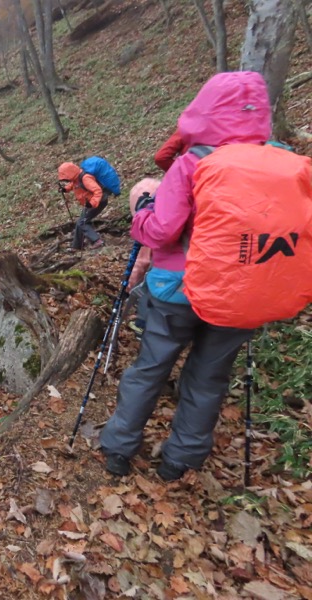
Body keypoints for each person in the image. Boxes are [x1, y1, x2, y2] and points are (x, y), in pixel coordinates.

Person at [100, 71, 269, 481]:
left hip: (180, 289)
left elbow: (161, 230)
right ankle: (180, 461)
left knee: (151, 367)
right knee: (210, 378)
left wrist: (140, 213)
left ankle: (119, 448)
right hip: (244, 295)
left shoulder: (192, 164)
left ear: (203, 110)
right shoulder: (279, 163)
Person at [125, 177, 161, 338]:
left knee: (149, 285)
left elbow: (142, 262)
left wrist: (128, 284)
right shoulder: (176, 211)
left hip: (167, 276)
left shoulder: (150, 225)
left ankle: (143, 326)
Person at [57, 162, 107, 251]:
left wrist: (92, 203)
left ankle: (97, 240)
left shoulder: (85, 178)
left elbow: (98, 190)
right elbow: (73, 185)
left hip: (97, 202)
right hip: (90, 203)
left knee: (82, 222)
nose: (66, 180)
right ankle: (76, 246)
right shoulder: (76, 178)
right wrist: (65, 189)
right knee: (80, 222)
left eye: (66, 177)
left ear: (70, 173)